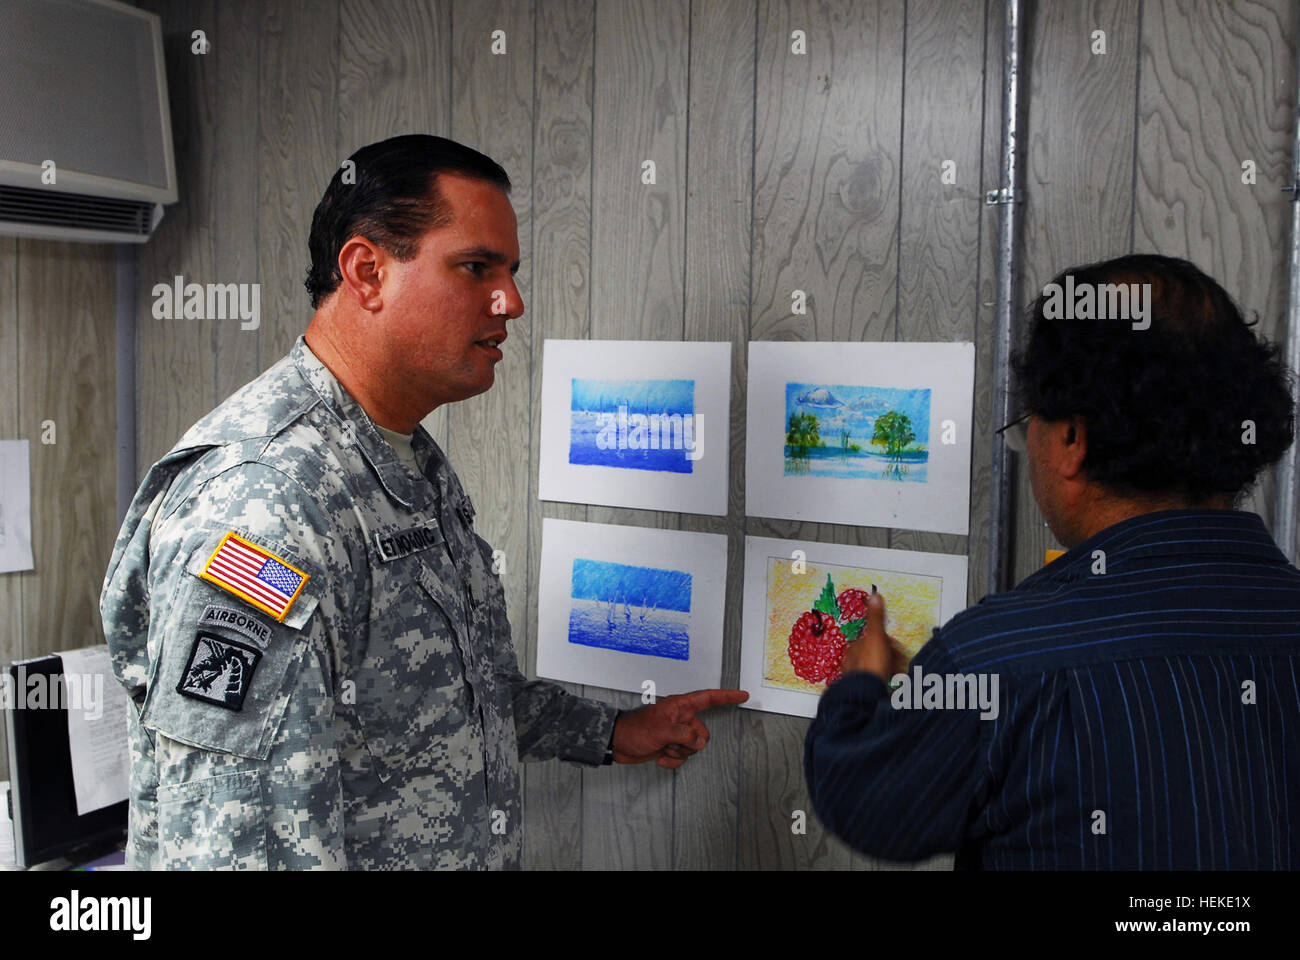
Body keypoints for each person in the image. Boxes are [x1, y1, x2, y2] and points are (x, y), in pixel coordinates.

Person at [100, 134, 746, 870]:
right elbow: (232, 846)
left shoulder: (406, 457)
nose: (512, 300)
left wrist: (609, 731)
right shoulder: (266, 504)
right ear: (367, 271)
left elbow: (446, 698)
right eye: (476, 268)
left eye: (510, 271)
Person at [805, 254, 1299, 869]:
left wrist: (861, 687)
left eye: (1029, 425)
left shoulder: (1002, 659)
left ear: (1071, 440)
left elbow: (871, 804)